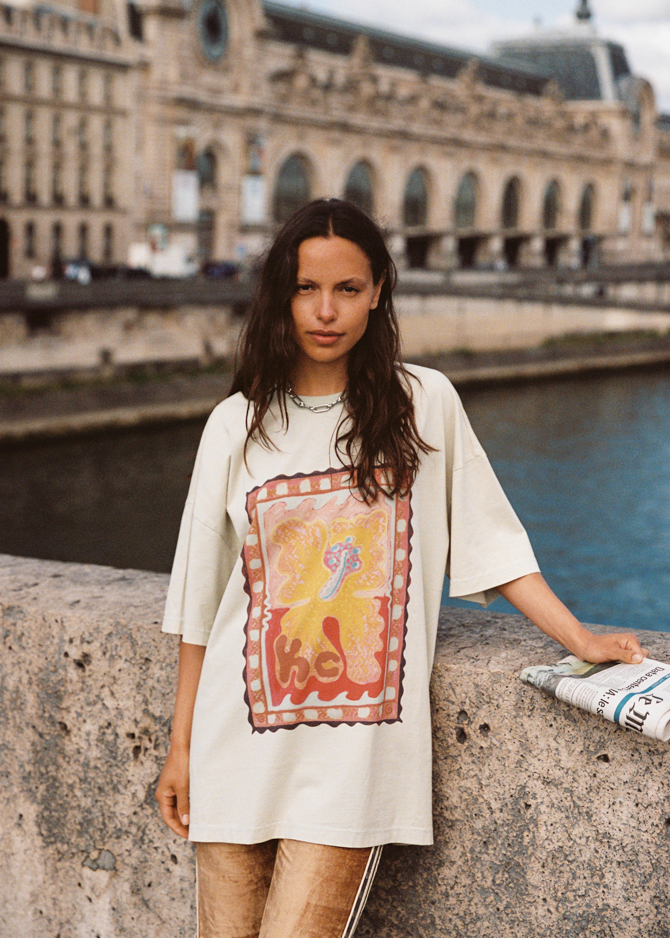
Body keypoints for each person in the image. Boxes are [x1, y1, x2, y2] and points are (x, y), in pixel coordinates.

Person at [156, 198, 648, 939]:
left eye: (347, 289)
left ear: (379, 289)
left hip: (353, 767)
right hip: (234, 748)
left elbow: (495, 544)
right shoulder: (238, 421)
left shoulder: (425, 404)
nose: (326, 311)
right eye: (304, 288)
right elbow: (201, 599)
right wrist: (181, 747)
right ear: (278, 295)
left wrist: (581, 638)